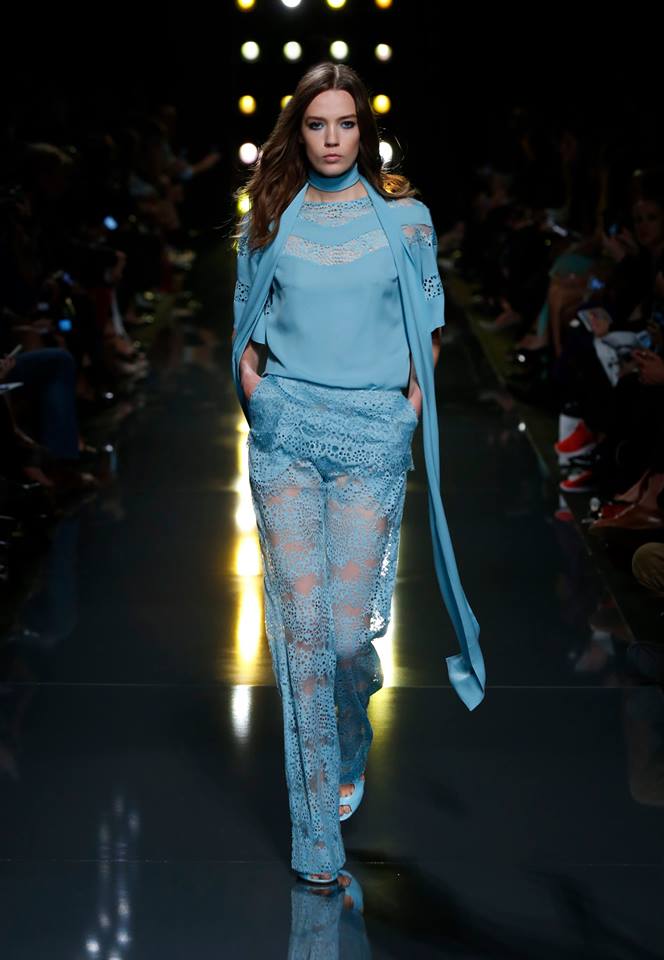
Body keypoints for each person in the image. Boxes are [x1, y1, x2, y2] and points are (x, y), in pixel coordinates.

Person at [230, 62, 486, 887]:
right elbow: (245, 318)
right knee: (303, 635)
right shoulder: (271, 215)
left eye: (345, 124)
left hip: (373, 434)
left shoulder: (406, 220)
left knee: (344, 639)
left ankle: (350, 727)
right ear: (298, 132)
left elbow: (428, 327)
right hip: (288, 434)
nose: (332, 138)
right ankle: (315, 839)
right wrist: (256, 393)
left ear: (364, 132)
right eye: (317, 124)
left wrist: (409, 409)